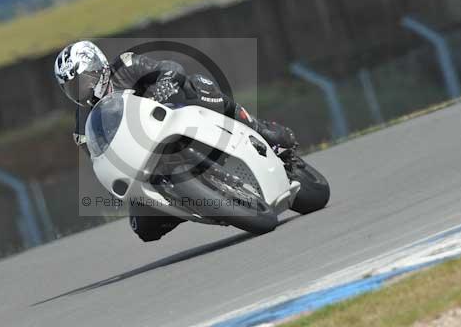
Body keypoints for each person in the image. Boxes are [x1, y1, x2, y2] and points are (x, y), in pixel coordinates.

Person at [54, 41, 297, 242]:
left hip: (176, 117)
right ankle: (186, 205)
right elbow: (99, 156)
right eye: (71, 88)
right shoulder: (83, 124)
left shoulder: (126, 66)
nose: (79, 91)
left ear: (97, 68)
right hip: (146, 158)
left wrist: (165, 84)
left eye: (81, 82)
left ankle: (257, 127)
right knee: (143, 228)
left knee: (198, 85)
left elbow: (170, 67)